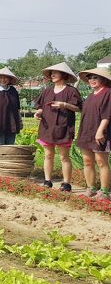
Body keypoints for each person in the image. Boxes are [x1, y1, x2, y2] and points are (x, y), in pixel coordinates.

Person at [34, 62, 82, 191]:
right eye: (51, 73)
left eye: (56, 72)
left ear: (64, 74)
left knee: (64, 157)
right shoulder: (47, 91)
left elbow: (78, 108)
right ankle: (47, 180)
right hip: (47, 127)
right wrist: (39, 112)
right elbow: (40, 106)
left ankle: (66, 183)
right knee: (48, 155)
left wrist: (64, 105)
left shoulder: (71, 91)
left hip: (63, 127)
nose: (52, 75)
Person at [75, 67, 111, 199]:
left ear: (103, 79)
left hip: (100, 132)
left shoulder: (108, 93)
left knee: (101, 162)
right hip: (86, 131)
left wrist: (100, 130)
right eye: (90, 77)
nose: (92, 80)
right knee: (87, 161)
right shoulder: (90, 96)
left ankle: (105, 191)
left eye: (95, 77)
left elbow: (107, 114)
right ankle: (91, 188)